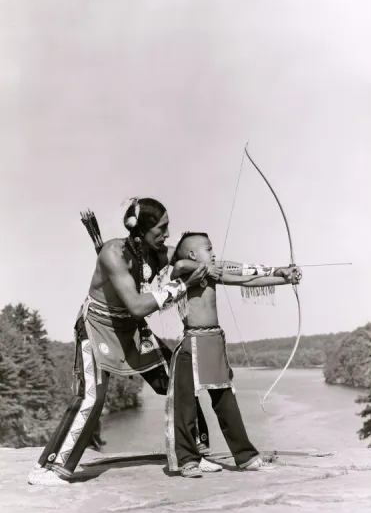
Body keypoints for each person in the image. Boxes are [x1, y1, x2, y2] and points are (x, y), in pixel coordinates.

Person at [28, 198, 219, 486]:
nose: (167, 234)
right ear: (141, 230)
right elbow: (138, 306)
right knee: (92, 396)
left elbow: (199, 264)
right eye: (161, 228)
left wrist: (272, 273)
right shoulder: (112, 253)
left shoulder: (156, 253)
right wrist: (182, 284)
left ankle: (192, 453)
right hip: (98, 327)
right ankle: (50, 468)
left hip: (131, 330)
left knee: (178, 379)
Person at [164, 231, 302, 478]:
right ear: (194, 253)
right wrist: (205, 268)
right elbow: (178, 265)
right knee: (184, 406)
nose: (213, 253)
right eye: (208, 248)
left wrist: (283, 277)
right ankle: (188, 460)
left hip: (213, 341)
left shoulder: (214, 271)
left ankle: (245, 457)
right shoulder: (186, 271)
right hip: (190, 343)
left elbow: (246, 278)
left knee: (226, 403)